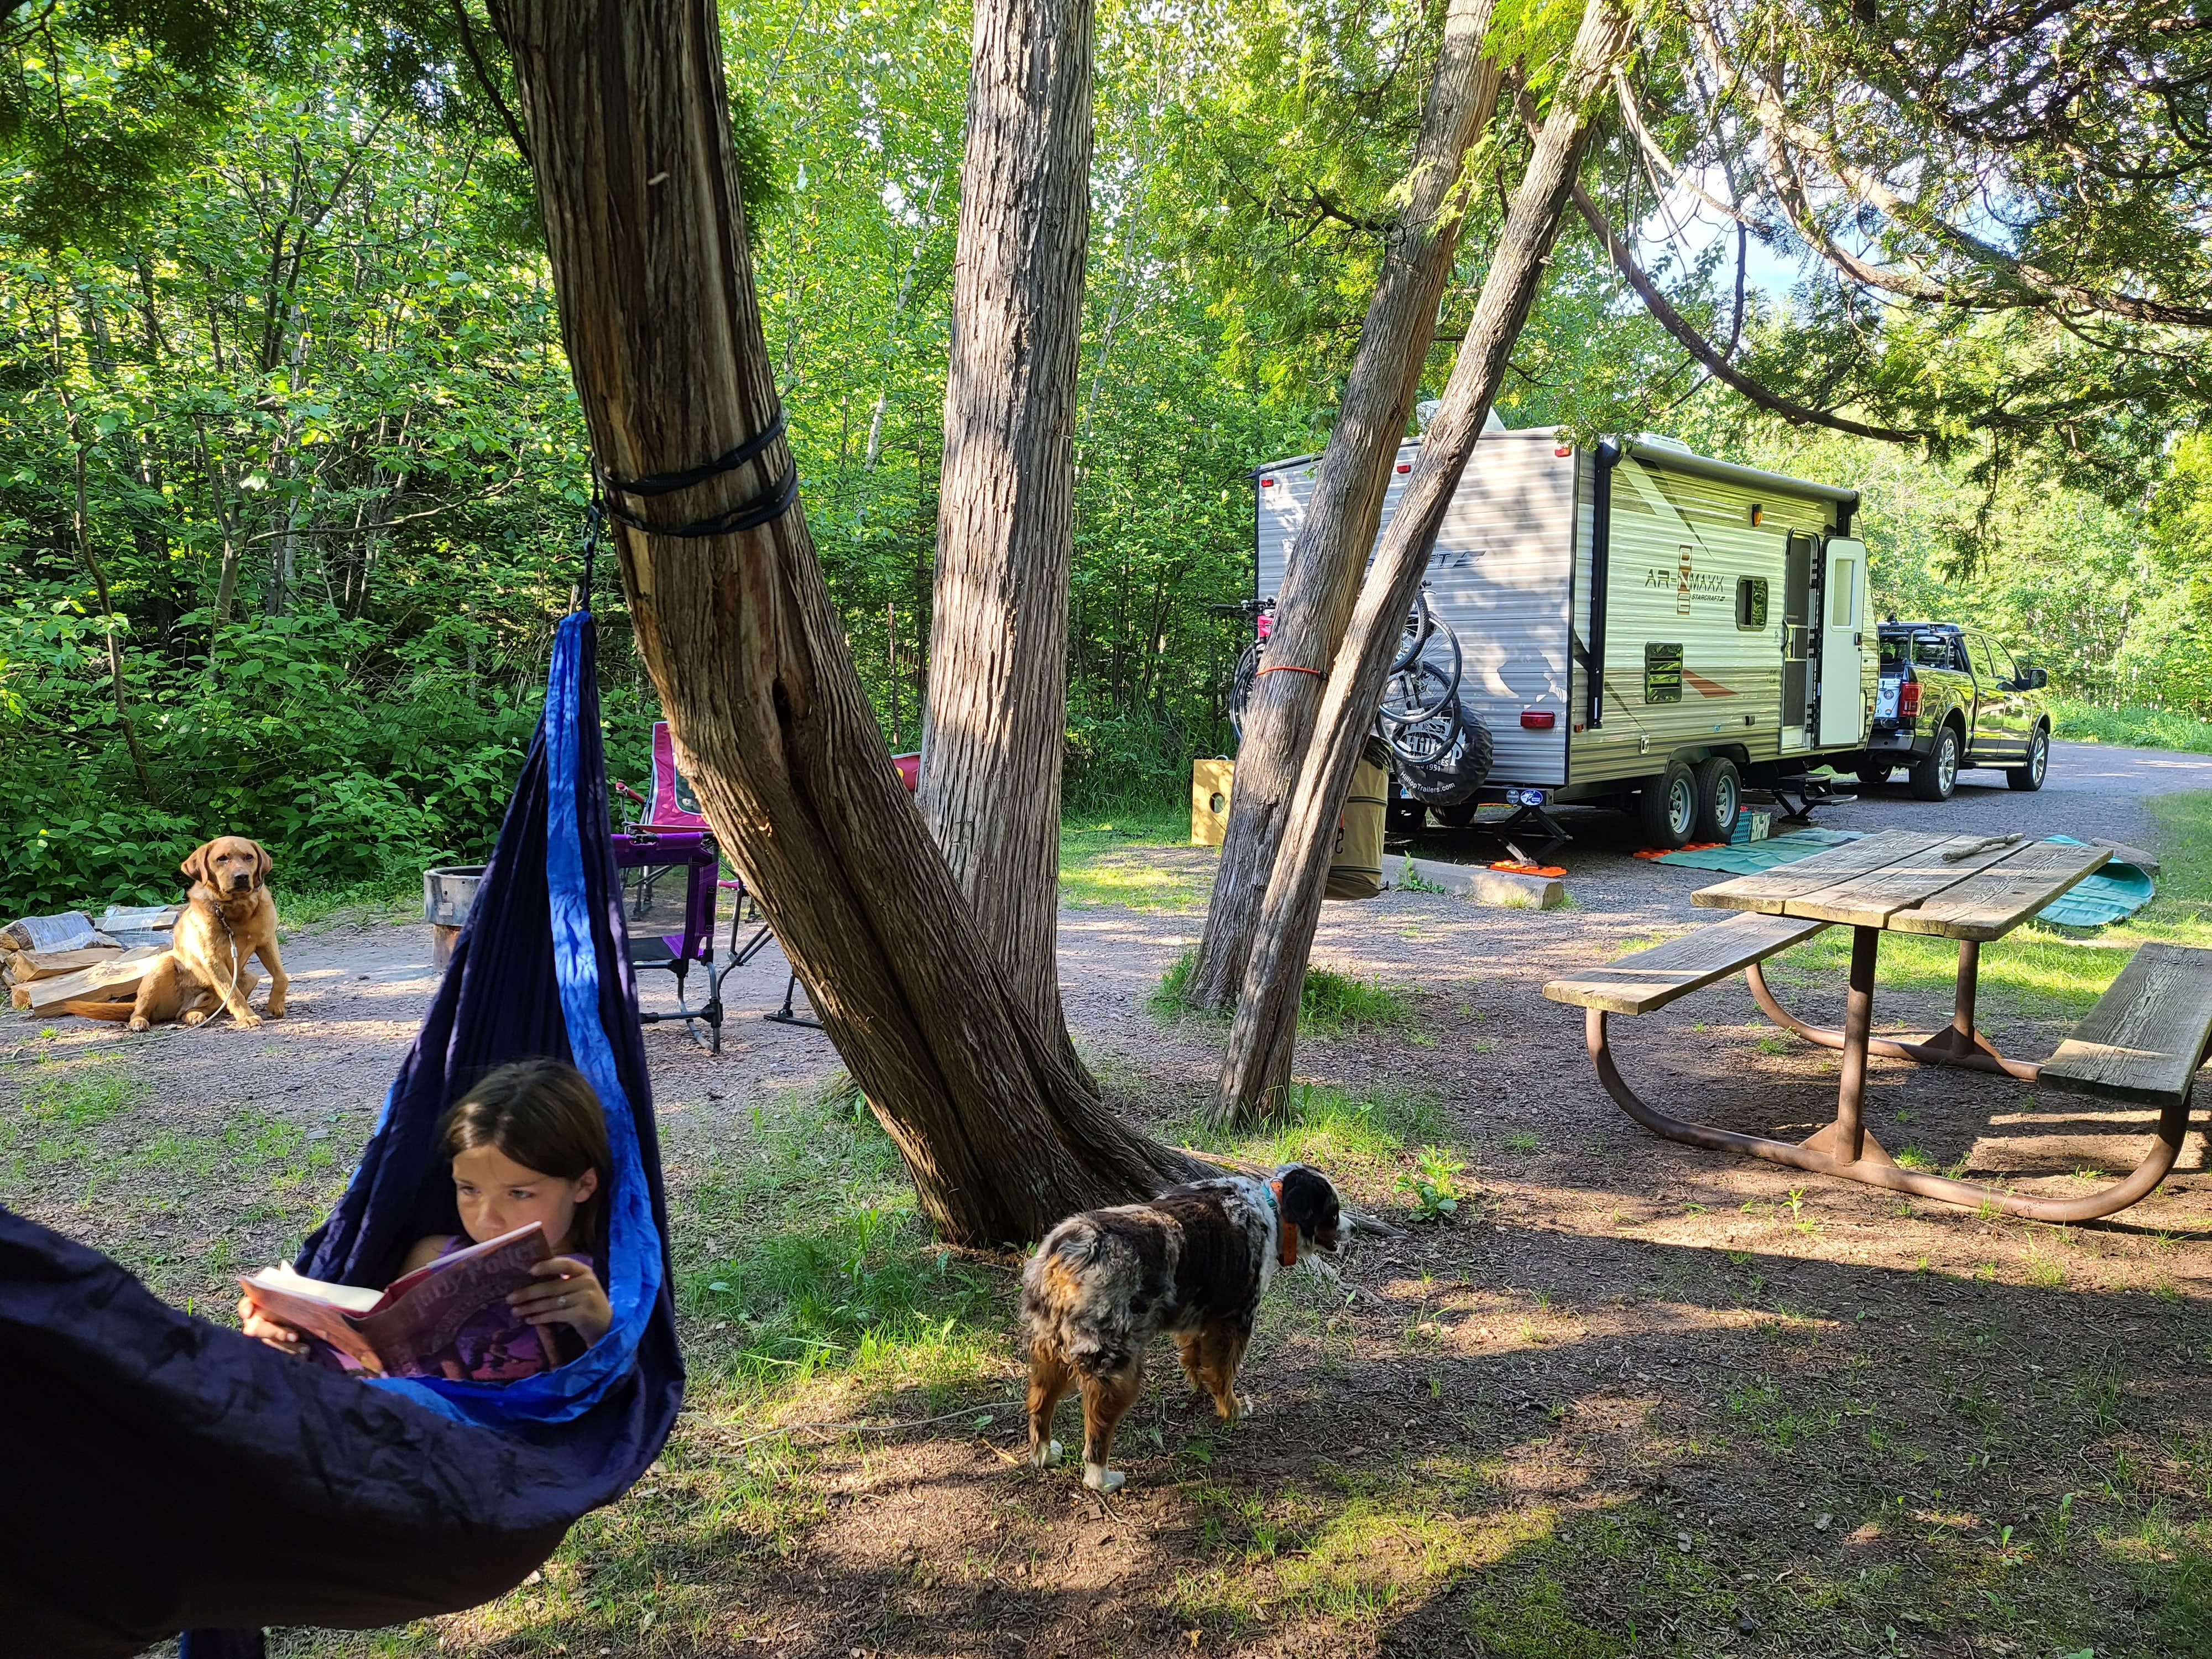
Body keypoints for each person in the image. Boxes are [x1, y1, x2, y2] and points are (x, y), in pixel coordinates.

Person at [240, 1058, 615, 1371]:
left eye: (519, 1193)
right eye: (469, 1189)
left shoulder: (606, 1279)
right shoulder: (433, 1257)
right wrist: (291, 1340)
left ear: (583, 1185)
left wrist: (600, 1327)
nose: (487, 1218)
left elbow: (627, 1401)